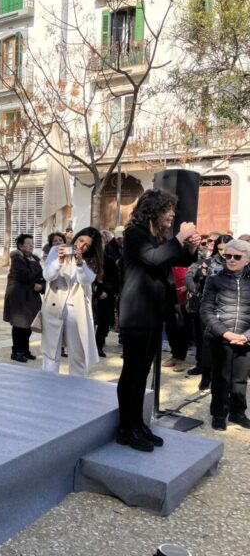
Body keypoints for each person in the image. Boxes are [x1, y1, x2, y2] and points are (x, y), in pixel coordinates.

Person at [116, 189, 200, 452]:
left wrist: (190, 248)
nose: (173, 214)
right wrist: (179, 237)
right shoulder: (134, 234)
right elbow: (153, 258)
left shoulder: (156, 237)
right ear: (153, 210)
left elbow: (172, 259)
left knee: (143, 372)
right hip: (137, 313)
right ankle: (125, 428)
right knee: (132, 372)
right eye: (168, 210)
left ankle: (138, 424)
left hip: (153, 313)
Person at [201, 239, 250, 430]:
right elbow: (206, 311)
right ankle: (219, 413)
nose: (231, 259)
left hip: (245, 338)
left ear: (247, 260)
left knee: (240, 378)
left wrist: (246, 336)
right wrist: (225, 333)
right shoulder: (214, 280)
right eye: (227, 256)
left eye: (237, 257)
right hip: (220, 337)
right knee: (220, 377)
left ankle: (238, 413)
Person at [41, 227, 103, 377]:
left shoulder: (90, 259)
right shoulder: (57, 250)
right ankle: (48, 388)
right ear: (76, 237)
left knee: (77, 355)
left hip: (77, 309)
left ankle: (76, 391)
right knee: (51, 353)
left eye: (87, 245)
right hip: (54, 305)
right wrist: (59, 261)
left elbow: (86, 280)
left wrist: (80, 263)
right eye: (81, 240)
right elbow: (47, 275)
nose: (81, 246)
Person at [186, 233, 232, 389]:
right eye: (220, 249)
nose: (223, 253)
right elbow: (189, 276)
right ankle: (206, 375)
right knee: (206, 343)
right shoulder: (206, 262)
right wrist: (195, 288)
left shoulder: (237, 263)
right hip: (208, 308)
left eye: (226, 249)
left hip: (229, 308)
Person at [3, 234, 45, 363]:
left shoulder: (34, 260)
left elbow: (42, 277)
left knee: (28, 326)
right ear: (21, 246)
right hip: (19, 297)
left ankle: (25, 350)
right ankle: (16, 351)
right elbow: (25, 276)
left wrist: (42, 286)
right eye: (28, 244)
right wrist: (35, 271)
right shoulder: (17, 259)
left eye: (32, 244)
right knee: (19, 326)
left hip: (31, 297)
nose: (31, 246)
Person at [94, 231, 121, 357]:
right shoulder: (91, 258)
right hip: (95, 293)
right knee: (95, 322)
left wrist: (107, 290)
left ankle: (98, 346)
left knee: (105, 322)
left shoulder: (108, 259)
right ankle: (93, 346)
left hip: (107, 294)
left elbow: (114, 276)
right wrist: (101, 290)